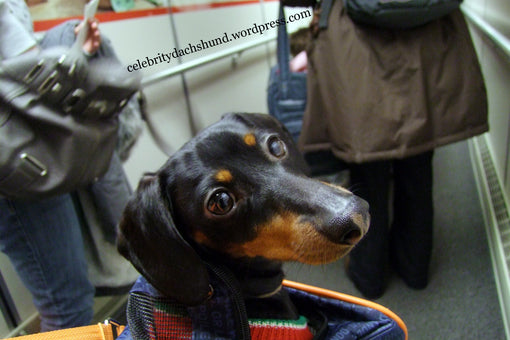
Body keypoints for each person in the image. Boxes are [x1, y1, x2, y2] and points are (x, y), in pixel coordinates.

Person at [297, 0, 488, 299]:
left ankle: (368, 275)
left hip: (356, 50)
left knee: (366, 174)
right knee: (419, 170)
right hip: (425, 45)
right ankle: (415, 270)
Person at [0, 0, 131, 331]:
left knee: (64, 300)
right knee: (66, 304)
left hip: (21, 156)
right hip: (15, 173)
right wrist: (74, 53)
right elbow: (33, 69)